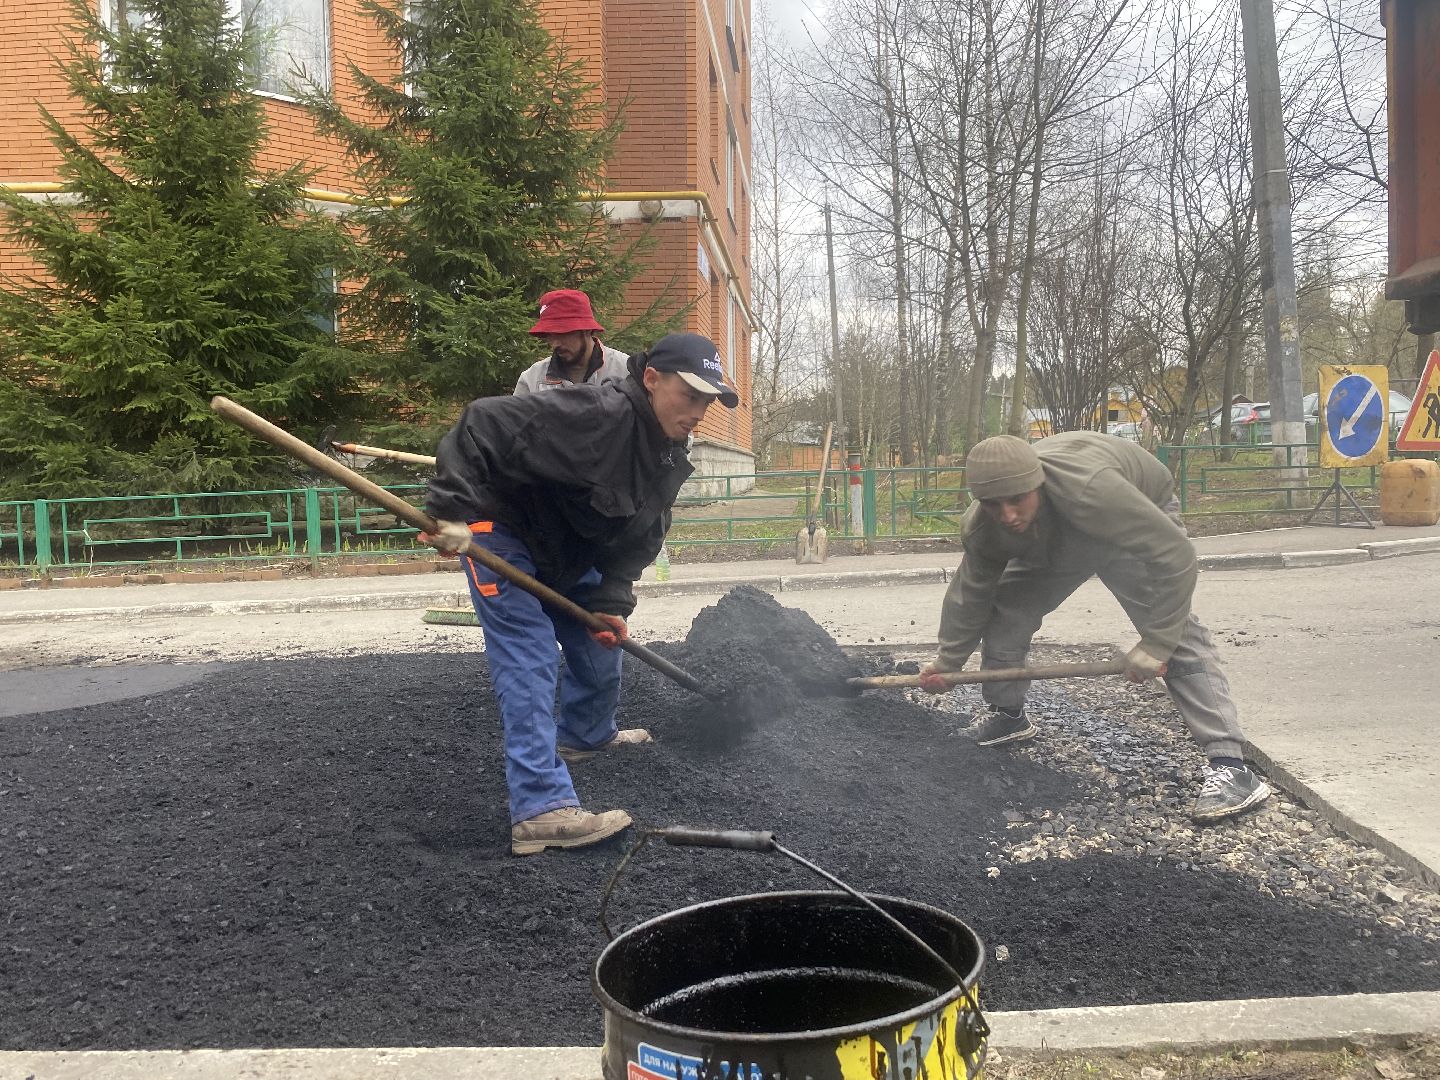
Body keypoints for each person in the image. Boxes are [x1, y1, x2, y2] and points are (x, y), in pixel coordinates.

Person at [423, 333, 739, 855]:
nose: (699, 411)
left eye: (709, 400)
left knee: (597, 642)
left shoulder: (667, 451)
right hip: (500, 533)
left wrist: (610, 603)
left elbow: (642, 533)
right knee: (529, 653)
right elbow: (482, 421)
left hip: (563, 550)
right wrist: (451, 511)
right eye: (691, 395)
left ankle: (586, 735)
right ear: (652, 379)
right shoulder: (596, 412)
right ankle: (540, 809)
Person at [919, 432, 1271, 824]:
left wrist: (1156, 643)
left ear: (1038, 483)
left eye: (1017, 499)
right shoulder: (988, 527)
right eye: (992, 504)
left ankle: (1231, 766)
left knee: (1174, 630)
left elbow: (1176, 557)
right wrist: (949, 661)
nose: (1007, 516)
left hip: (1131, 517)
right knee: (1006, 614)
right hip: (1053, 533)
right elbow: (971, 595)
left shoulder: (1093, 491)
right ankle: (1008, 714)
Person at [513, 288, 630, 394]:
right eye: (549, 335)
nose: (555, 344)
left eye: (562, 334)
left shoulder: (626, 370)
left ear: (587, 330)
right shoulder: (532, 380)